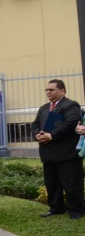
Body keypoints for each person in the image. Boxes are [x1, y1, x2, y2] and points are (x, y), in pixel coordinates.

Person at [31, 79, 84, 220]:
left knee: (71, 183)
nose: (48, 92)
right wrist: (37, 135)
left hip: (66, 153)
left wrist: (51, 135)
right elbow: (35, 124)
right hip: (48, 153)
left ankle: (76, 211)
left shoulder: (71, 105)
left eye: (51, 89)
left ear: (62, 91)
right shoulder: (44, 108)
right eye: (47, 90)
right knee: (52, 183)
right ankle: (56, 208)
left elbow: (69, 124)